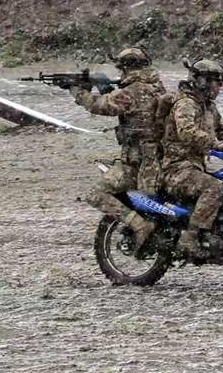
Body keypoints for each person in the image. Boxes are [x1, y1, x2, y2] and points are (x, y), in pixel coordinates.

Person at [71, 47, 166, 252]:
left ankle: (140, 226)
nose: (120, 74)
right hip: (158, 161)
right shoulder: (158, 87)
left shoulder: (131, 91)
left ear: (127, 68)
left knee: (96, 194)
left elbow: (98, 106)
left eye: (121, 69)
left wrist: (77, 91)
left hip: (139, 164)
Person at [160, 59, 223, 259]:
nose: (220, 88)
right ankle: (190, 239)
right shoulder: (185, 103)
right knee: (214, 188)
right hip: (177, 168)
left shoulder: (208, 107)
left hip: (196, 167)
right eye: (217, 83)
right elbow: (188, 132)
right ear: (202, 81)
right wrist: (216, 145)